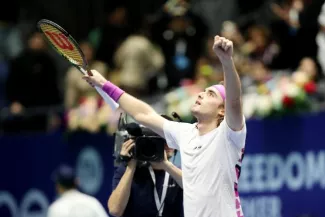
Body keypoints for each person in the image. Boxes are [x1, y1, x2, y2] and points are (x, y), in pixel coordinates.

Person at [83, 35, 247, 217]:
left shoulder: (229, 134)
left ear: (222, 111)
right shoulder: (186, 133)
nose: (201, 94)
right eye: (203, 91)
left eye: (210, 94)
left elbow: (234, 100)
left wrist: (226, 60)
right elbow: (143, 114)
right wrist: (104, 84)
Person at [108, 133, 183, 217]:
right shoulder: (128, 170)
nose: (168, 144)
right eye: (162, 140)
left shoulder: (178, 174)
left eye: (171, 140)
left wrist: (167, 166)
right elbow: (115, 210)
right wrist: (131, 167)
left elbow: (196, 192)